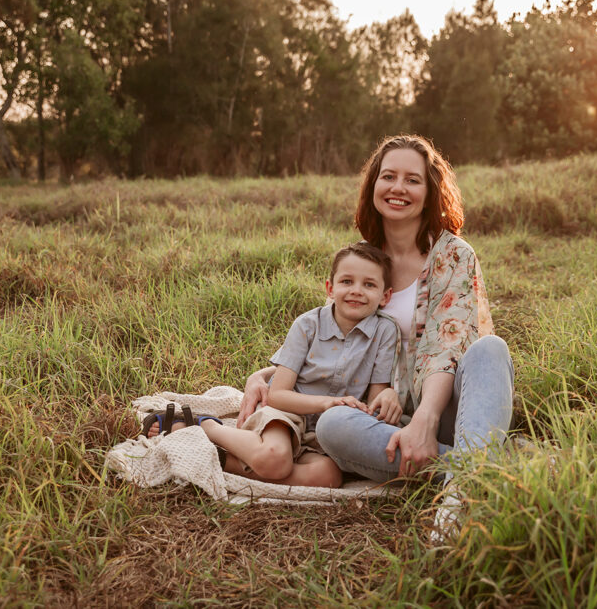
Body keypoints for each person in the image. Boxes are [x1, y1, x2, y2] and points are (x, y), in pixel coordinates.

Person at [239, 134, 513, 502]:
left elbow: (445, 349)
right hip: (385, 423)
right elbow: (332, 338)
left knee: (490, 350)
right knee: (333, 425)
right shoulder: (366, 264)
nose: (398, 188)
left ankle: (465, 488)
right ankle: (489, 470)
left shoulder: (453, 256)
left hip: (449, 411)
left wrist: (424, 421)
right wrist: (266, 375)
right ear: (373, 185)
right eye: (388, 176)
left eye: (412, 180)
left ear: (429, 192)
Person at [144, 242, 401, 489]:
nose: (356, 290)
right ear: (330, 288)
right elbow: (277, 396)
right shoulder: (307, 325)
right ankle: (203, 425)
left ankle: (222, 460)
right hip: (288, 414)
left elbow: (376, 396)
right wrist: (327, 403)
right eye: (347, 281)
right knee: (275, 461)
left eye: (369, 284)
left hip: (331, 429)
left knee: (329, 477)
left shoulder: (385, 330)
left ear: (385, 296)